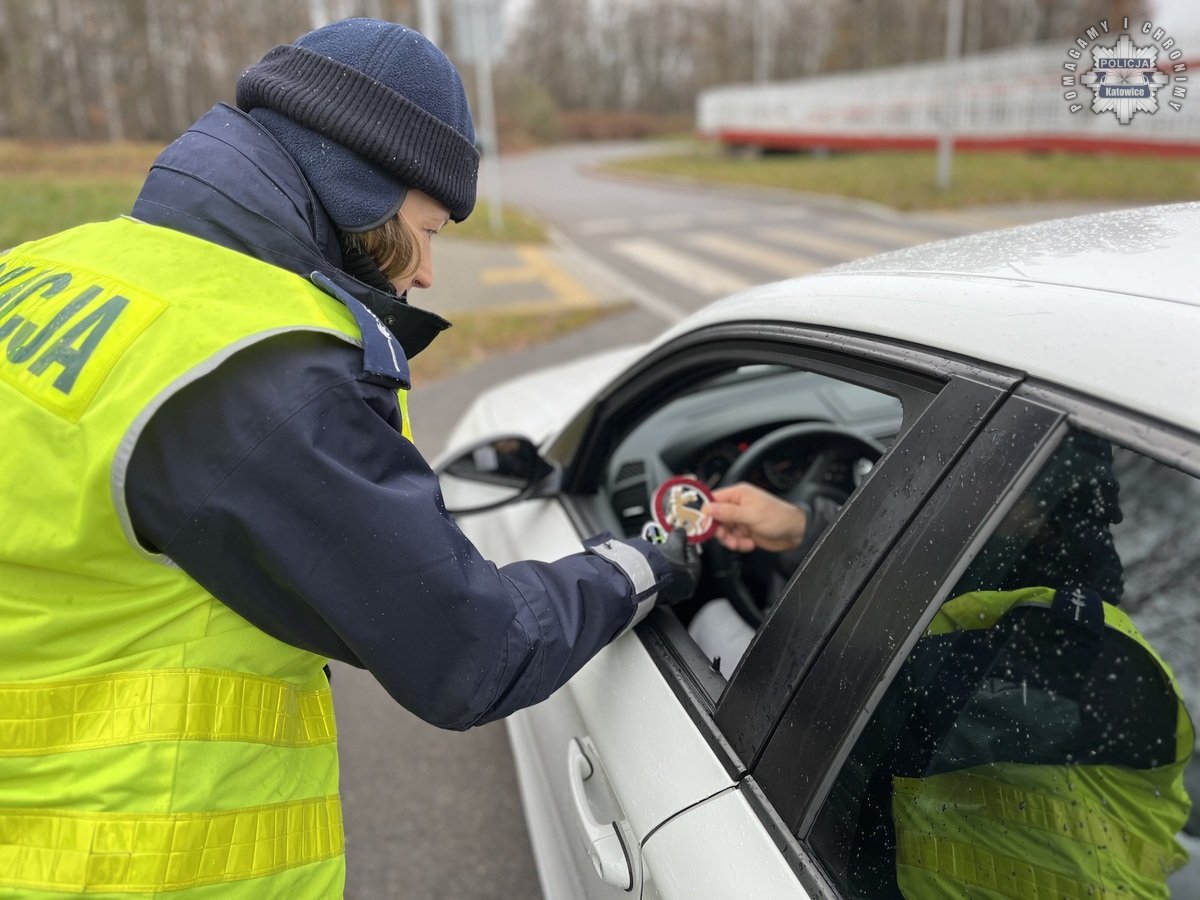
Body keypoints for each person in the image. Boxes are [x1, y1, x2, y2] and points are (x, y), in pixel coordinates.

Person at [0, 19, 697, 898]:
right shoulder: (264, 369)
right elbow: (470, 649)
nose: (431, 272)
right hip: (142, 863)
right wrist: (639, 563)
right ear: (356, 184)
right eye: (429, 225)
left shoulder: (45, 267)